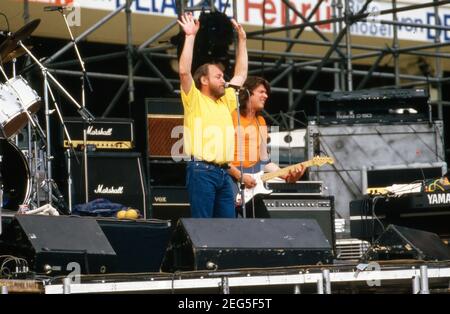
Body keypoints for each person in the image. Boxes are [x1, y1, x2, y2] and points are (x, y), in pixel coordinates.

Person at [177, 12, 248, 218]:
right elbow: (184, 72)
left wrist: (242, 41)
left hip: (223, 173)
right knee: (203, 227)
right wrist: (190, 37)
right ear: (204, 81)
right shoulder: (195, 99)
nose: (223, 80)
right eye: (218, 76)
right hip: (201, 171)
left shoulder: (225, 99)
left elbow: (241, 74)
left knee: (227, 229)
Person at [228, 76, 306, 217]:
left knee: (264, 227)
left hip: (250, 185)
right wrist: (240, 176)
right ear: (247, 93)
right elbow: (220, 158)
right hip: (229, 181)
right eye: (261, 92)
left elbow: (264, 162)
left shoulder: (261, 121)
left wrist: (286, 174)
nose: (266, 95)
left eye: (266, 93)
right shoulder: (231, 116)